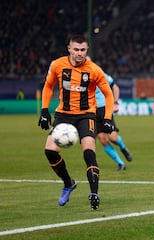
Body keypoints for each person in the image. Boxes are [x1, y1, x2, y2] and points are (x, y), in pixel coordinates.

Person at [38, 34, 115, 210]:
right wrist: (44, 111)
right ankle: (68, 183)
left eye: (83, 50)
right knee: (50, 152)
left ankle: (94, 193)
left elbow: (108, 94)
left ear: (86, 50)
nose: (79, 53)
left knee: (89, 152)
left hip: (86, 115)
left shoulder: (95, 70)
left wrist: (108, 118)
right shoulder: (57, 65)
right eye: (76, 50)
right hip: (63, 115)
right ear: (69, 49)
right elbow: (48, 86)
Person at [95, 71, 133, 171]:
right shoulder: (77, 75)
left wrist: (115, 102)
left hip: (104, 108)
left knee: (113, 138)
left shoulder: (98, 73)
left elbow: (115, 87)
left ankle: (123, 148)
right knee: (102, 139)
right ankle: (121, 163)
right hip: (91, 110)